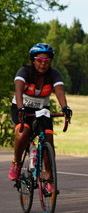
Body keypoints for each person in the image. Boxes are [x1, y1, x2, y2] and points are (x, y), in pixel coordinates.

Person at [8, 43, 72, 185]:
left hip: (42, 110)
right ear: (33, 60)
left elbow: (59, 91)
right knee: (23, 132)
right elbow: (18, 91)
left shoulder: (54, 74)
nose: (43, 64)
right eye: (39, 60)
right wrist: (20, 108)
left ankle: (49, 178)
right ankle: (17, 163)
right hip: (21, 107)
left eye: (47, 61)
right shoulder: (25, 71)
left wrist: (65, 107)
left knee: (48, 137)